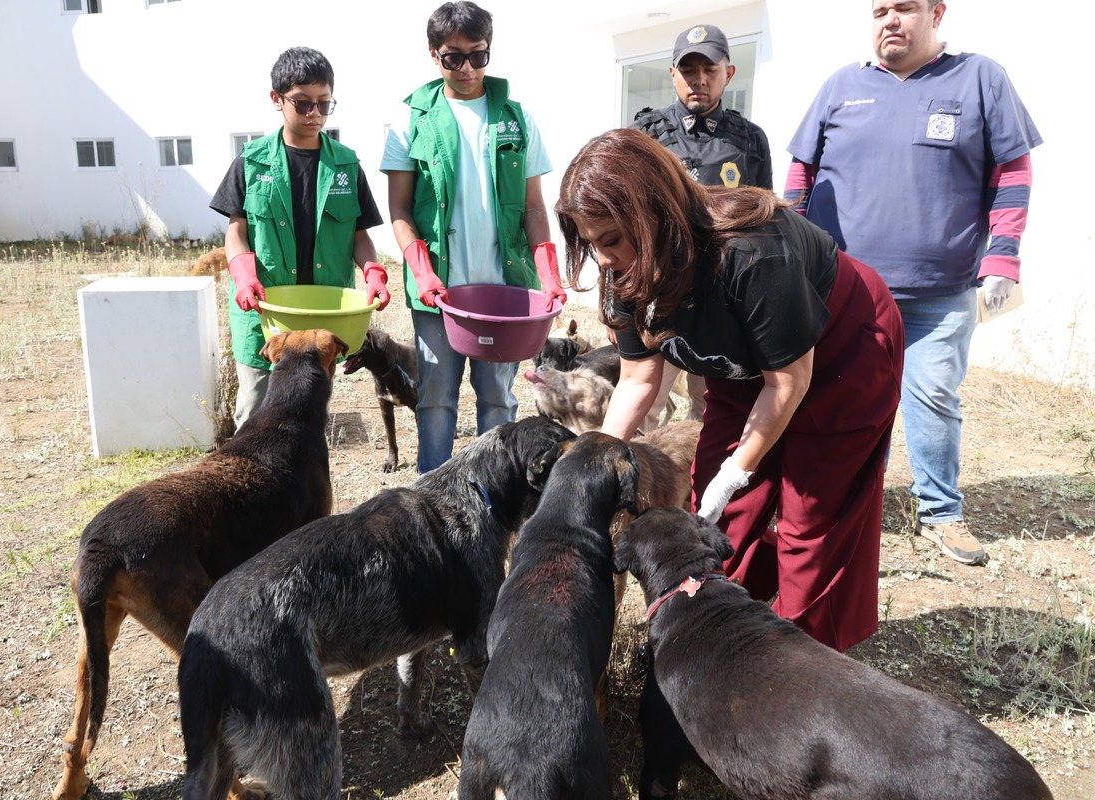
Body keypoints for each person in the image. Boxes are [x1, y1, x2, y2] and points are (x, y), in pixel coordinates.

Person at [556, 128, 904, 653]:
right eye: (591, 243)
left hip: (840, 353)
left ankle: (803, 661)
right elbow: (638, 378)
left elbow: (788, 383)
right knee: (717, 511)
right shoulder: (627, 267)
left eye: (610, 241)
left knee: (811, 516)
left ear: (654, 217)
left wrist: (737, 471)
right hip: (743, 363)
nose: (602, 259)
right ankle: (719, 628)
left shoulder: (752, 252)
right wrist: (592, 460)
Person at [785, 0, 1042, 566]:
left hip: (939, 291)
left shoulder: (979, 78)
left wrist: (1003, 257)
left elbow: (1013, 172)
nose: (890, 20)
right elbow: (801, 176)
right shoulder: (841, 86)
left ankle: (941, 514)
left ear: (937, 12)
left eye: (904, 8)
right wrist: (790, 254)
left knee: (932, 399)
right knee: (840, 402)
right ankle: (842, 505)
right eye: (879, 10)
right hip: (845, 291)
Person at [381, 1, 565, 474]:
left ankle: (493, 500)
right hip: (438, 292)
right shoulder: (410, 121)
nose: (466, 68)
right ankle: (433, 503)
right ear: (433, 55)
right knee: (436, 397)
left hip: (503, 290)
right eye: (453, 57)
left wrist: (548, 272)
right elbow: (399, 207)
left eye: (478, 55)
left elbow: (533, 207)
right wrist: (420, 269)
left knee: (499, 400)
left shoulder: (517, 119)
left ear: (490, 51)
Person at [210, 46, 390, 430]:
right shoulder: (251, 161)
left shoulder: (345, 164)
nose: (314, 115)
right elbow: (236, 230)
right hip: (268, 312)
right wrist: (243, 274)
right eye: (302, 103)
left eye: (324, 104)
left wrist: (372, 269)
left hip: (324, 317)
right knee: (255, 417)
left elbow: (359, 235)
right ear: (277, 99)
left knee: (310, 421)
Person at [630, 23, 774, 427]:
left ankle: (699, 488)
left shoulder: (750, 140)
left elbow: (765, 222)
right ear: (673, 75)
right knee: (644, 405)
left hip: (725, 299)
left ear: (728, 74)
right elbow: (627, 222)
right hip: (662, 296)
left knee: (713, 411)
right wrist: (618, 306)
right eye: (688, 71)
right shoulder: (646, 134)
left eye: (709, 70)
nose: (699, 80)